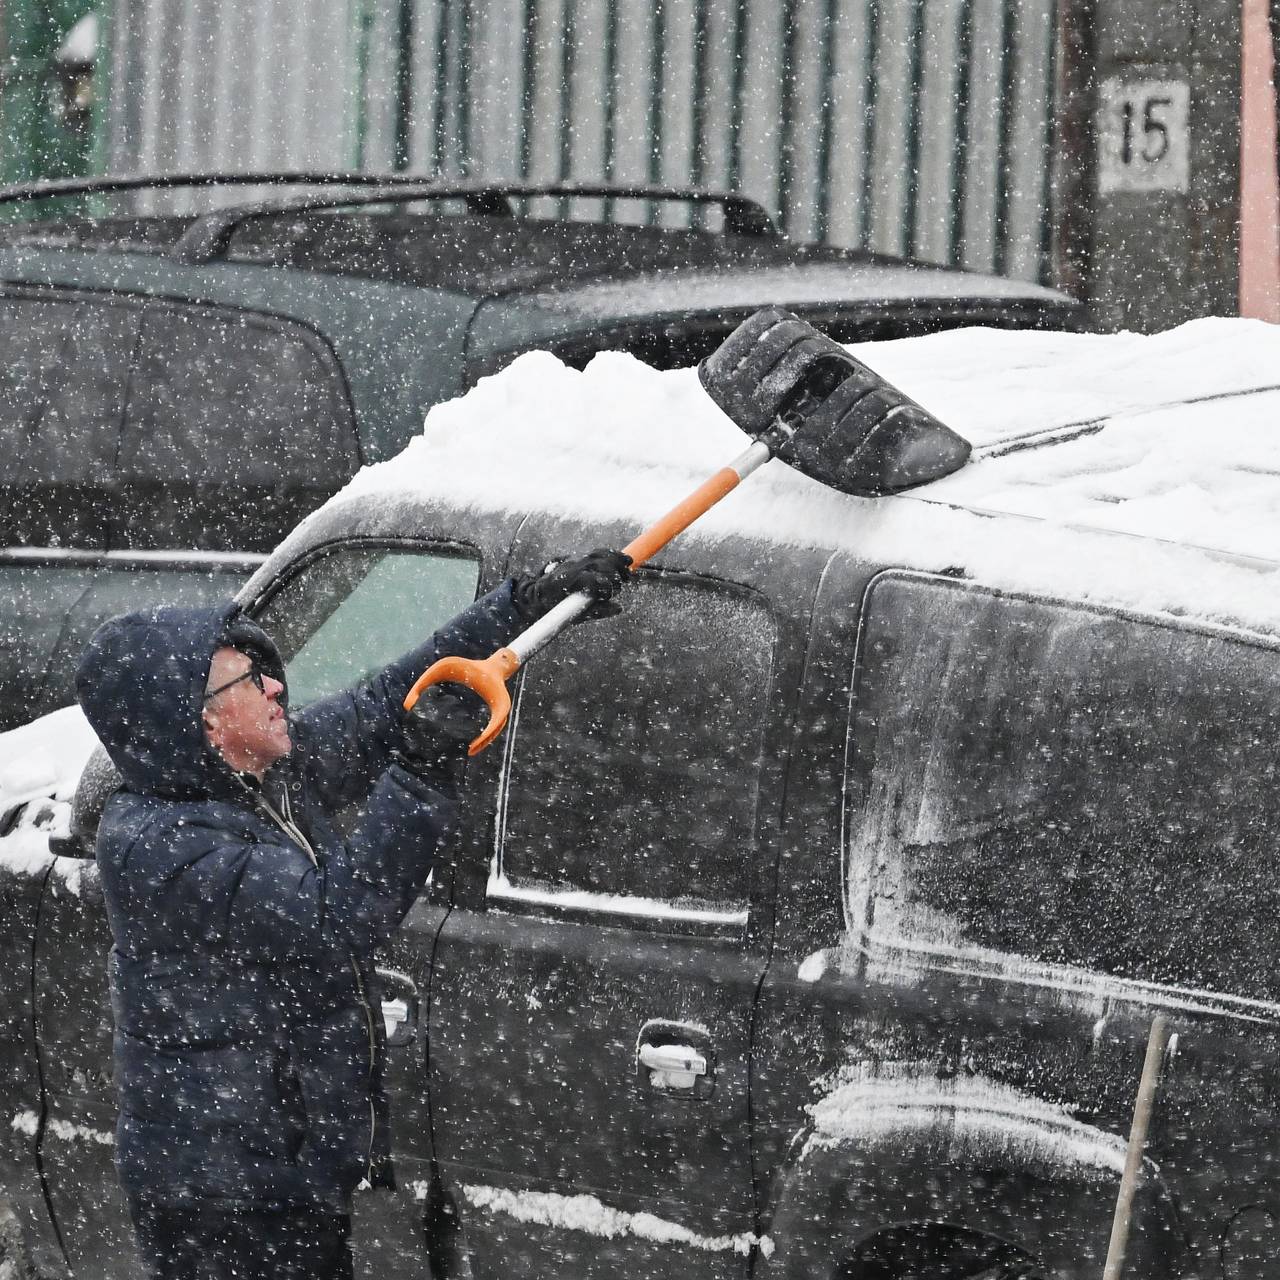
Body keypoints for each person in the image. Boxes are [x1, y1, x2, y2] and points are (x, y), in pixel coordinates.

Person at [73, 550, 632, 1280]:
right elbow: (337, 918)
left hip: (285, 1169)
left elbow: (384, 705)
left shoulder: (259, 776)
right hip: (221, 1194)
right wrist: (425, 769)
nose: (277, 686)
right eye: (249, 680)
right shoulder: (162, 850)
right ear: (198, 723)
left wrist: (527, 605)